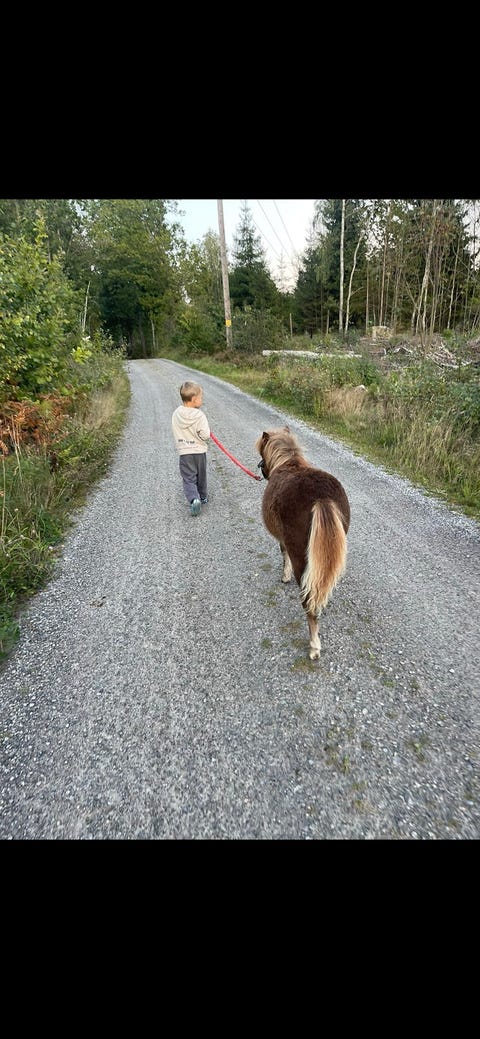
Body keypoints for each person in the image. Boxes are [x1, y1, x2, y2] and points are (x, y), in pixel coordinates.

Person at [171, 382, 210, 516]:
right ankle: (203, 497)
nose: (202, 400)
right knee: (201, 475)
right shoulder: (199, 415)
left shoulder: (176, 414)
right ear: (194, 399)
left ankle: (194, 499)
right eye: (201, 397)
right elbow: (205, 435)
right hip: (199, 452)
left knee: (188, 478)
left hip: (185, 452)